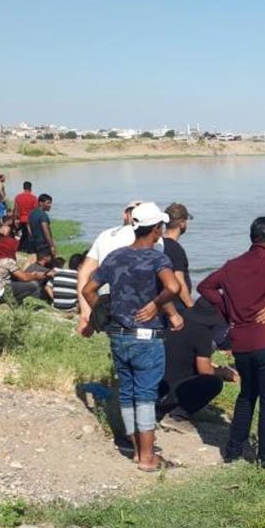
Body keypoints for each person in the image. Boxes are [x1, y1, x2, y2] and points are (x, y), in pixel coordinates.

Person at [81, 202, 184, 472]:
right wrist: (156, 304)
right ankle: (149, 457)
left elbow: (89, 289)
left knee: (127, 393)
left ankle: (138, 451)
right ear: (157, 230)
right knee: (147, 395)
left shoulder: (115, 257)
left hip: (118, 335)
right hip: (146, 335)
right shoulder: (157, 258)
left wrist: (101, 313)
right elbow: (173, 286)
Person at [197, 216, 265, 467]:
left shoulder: (232, 265)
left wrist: (228, 311)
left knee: (247, 396)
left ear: (252, 238)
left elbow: (205, 286)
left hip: (241, 344)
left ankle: (232, 450)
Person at [76, 200, 156, 335]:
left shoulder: (105, 236)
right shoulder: (153, 237)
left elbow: (83, 273)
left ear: (125, 215)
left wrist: (87, 312)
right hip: (142, 309)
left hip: (109, 305)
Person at [156, 305, 238, 422]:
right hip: (175, 386)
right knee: (213, 382)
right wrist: (223, 372)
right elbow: (205, 371)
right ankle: (179, 412)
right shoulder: (203, 333)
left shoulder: (174, 323)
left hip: (155, 379)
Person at [0, 233, 49, 303]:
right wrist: (36, 276)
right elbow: (24, 277)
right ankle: (14, 301)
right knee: (33, 285)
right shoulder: (7, 260)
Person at [161, 202, 193, 308]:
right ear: (182, 223)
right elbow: (179, 281)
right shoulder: (175, 249)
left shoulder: (158, 243)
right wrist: (190, 305)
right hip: (176, 305)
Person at [13, 181, 38, 252]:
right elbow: (35, 210)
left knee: (23, 234)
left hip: (21, 219)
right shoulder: (34, 198)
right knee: (30, 235)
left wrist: (15, 219)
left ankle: (21, 248)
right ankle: (29, 249)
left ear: (23, 187)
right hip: (30, 219)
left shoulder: (18, 197)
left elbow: (16, 209)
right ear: (30, 188)